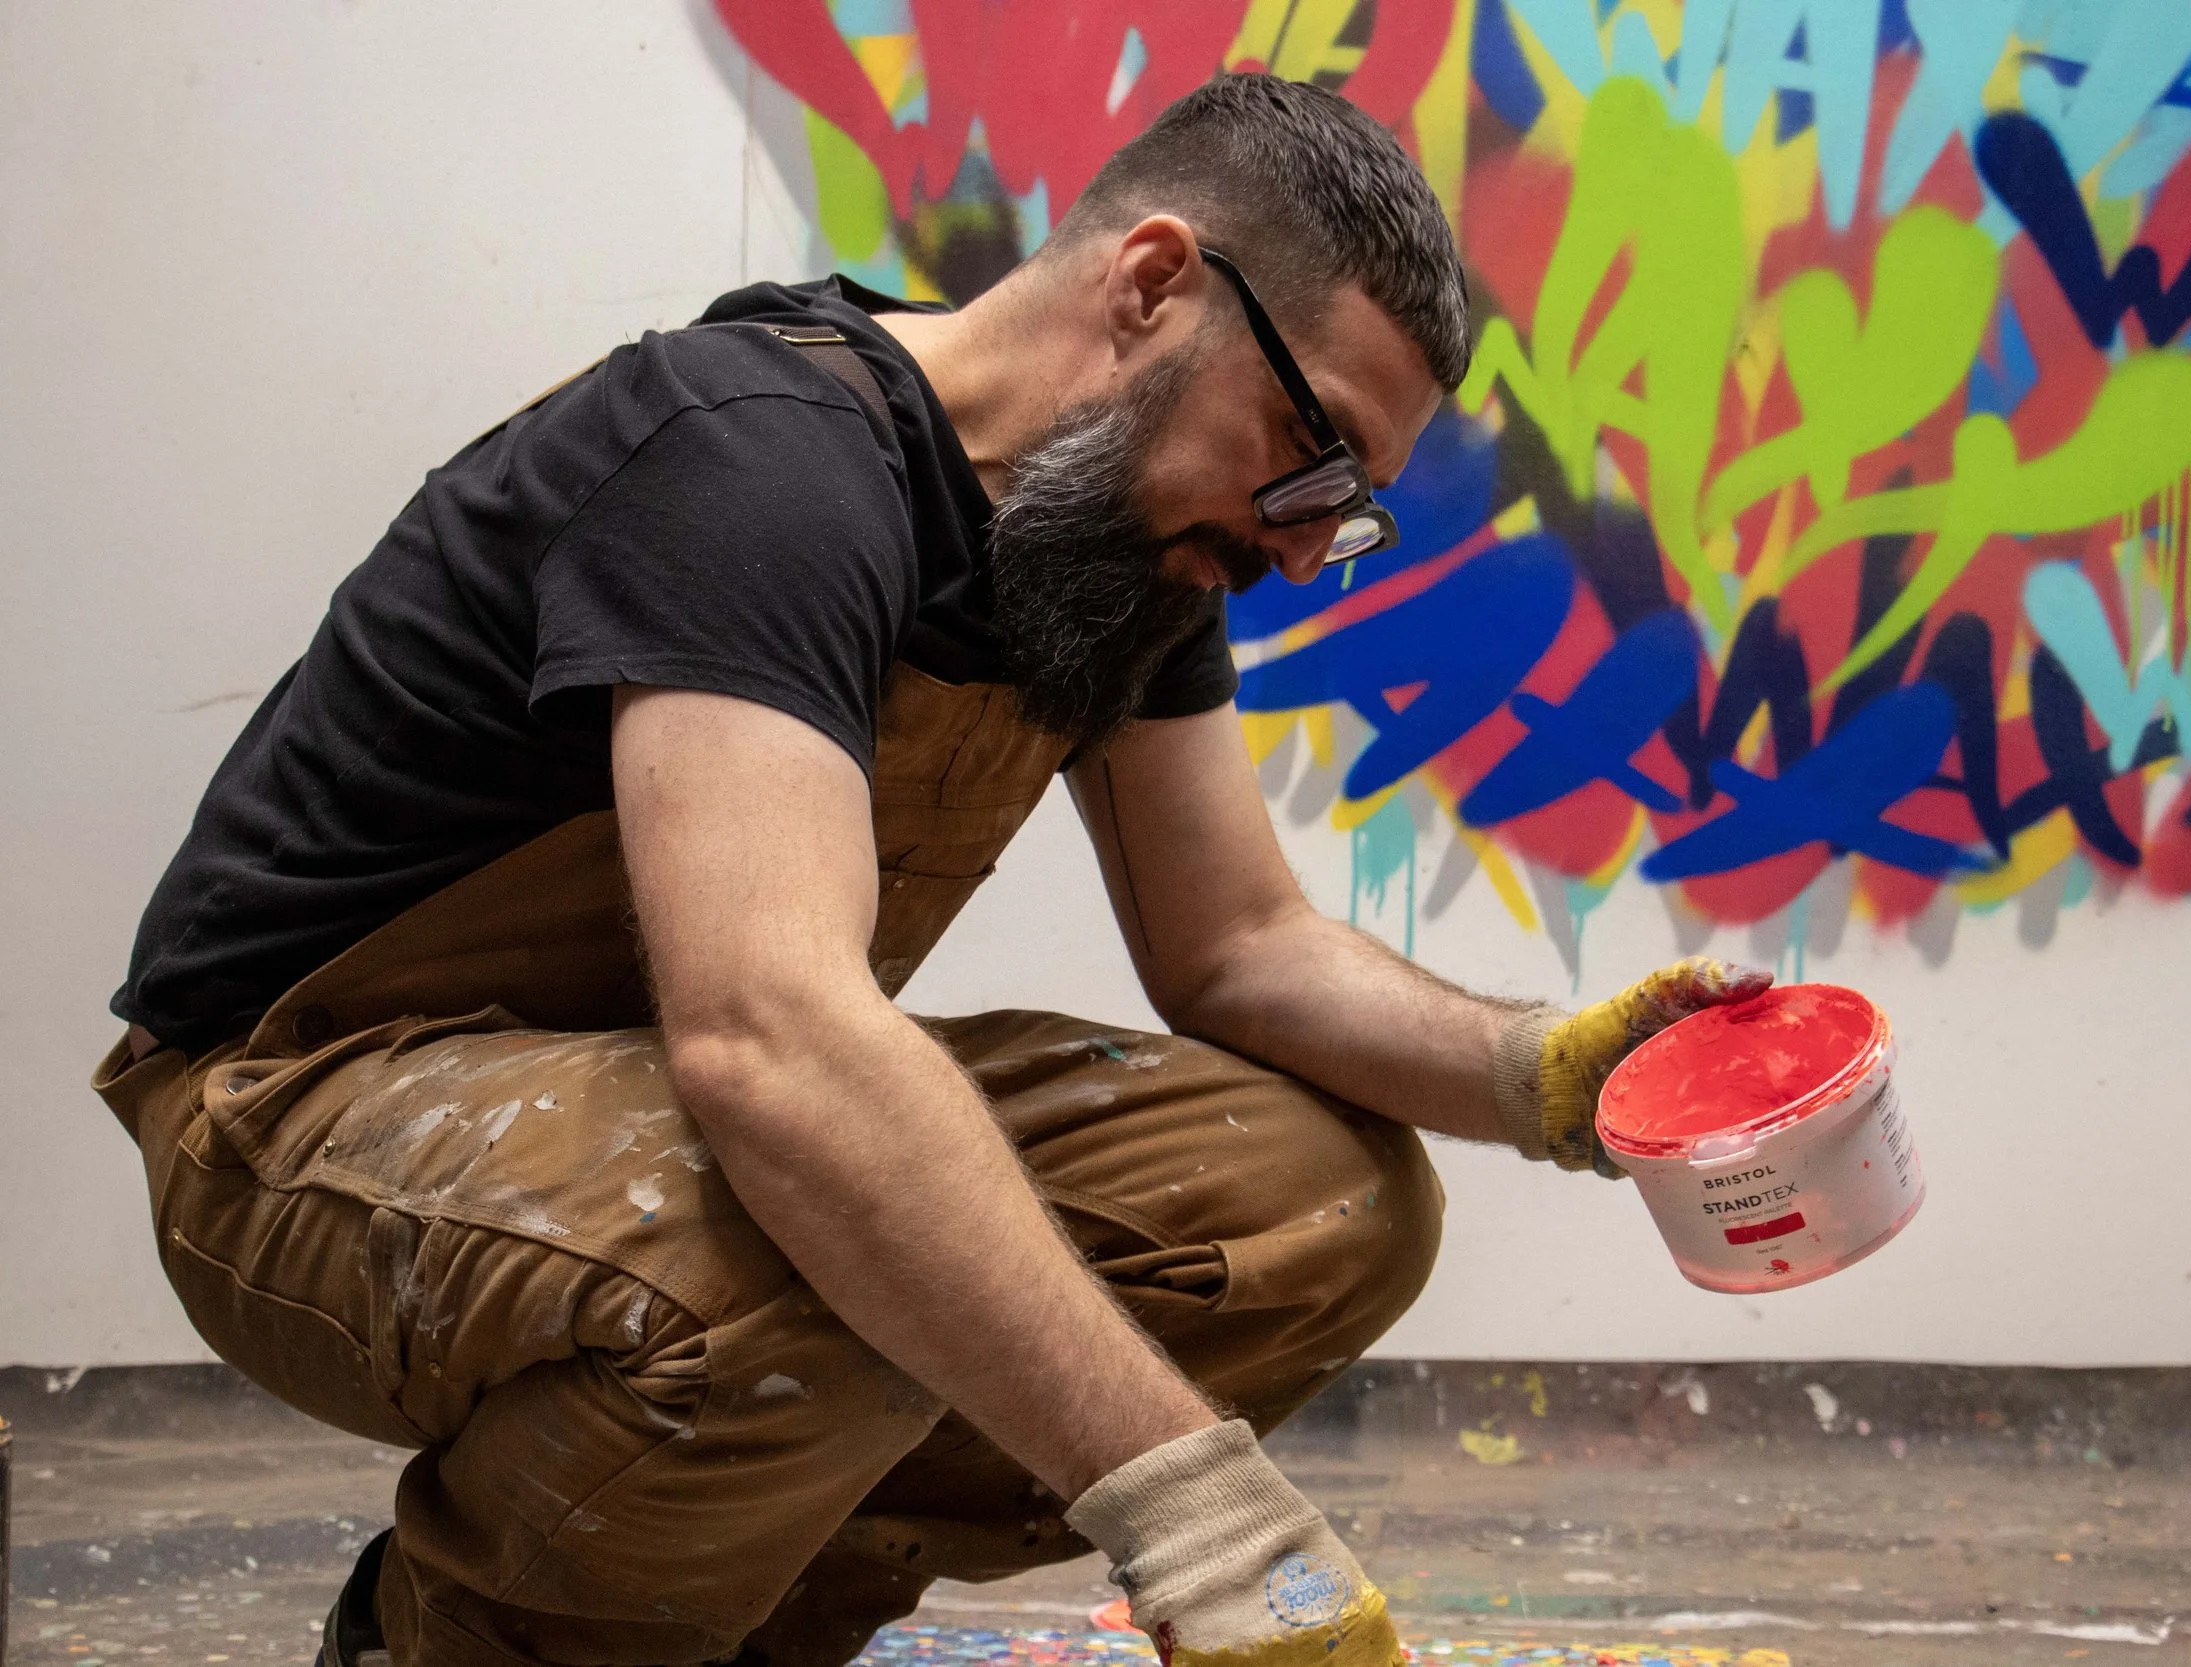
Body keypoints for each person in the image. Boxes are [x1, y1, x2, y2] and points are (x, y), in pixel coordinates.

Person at [91, 72, 1766, 1667]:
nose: (1307, 536)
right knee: (823, 1217)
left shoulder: (1113, 549)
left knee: (1323, 1198)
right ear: (1155, 284)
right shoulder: (758, 459)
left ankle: (731, 1623)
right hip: (294, 1109)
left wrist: (1547, 1074)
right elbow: (773, 1041)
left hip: (639, 1098)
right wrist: (1207, 1524)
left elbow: (1241, 946)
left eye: (1354, 503)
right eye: (1311, 447)